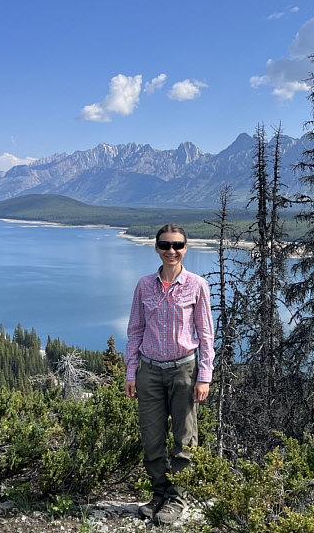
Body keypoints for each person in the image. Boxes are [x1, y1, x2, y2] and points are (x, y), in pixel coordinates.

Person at [125, 224, 215, 524]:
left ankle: (176, 498)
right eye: (165, 245)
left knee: (184, 438)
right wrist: (131, 372)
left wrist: (204, 376)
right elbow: (135, 331)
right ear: (157, 248)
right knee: (152, 438)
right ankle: (158, 494)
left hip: (184, 370)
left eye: (177, 245)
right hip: (149, 370)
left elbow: (206, 334)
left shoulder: (197, 285)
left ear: (185, 248)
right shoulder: (144, 285)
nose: (171, 251)